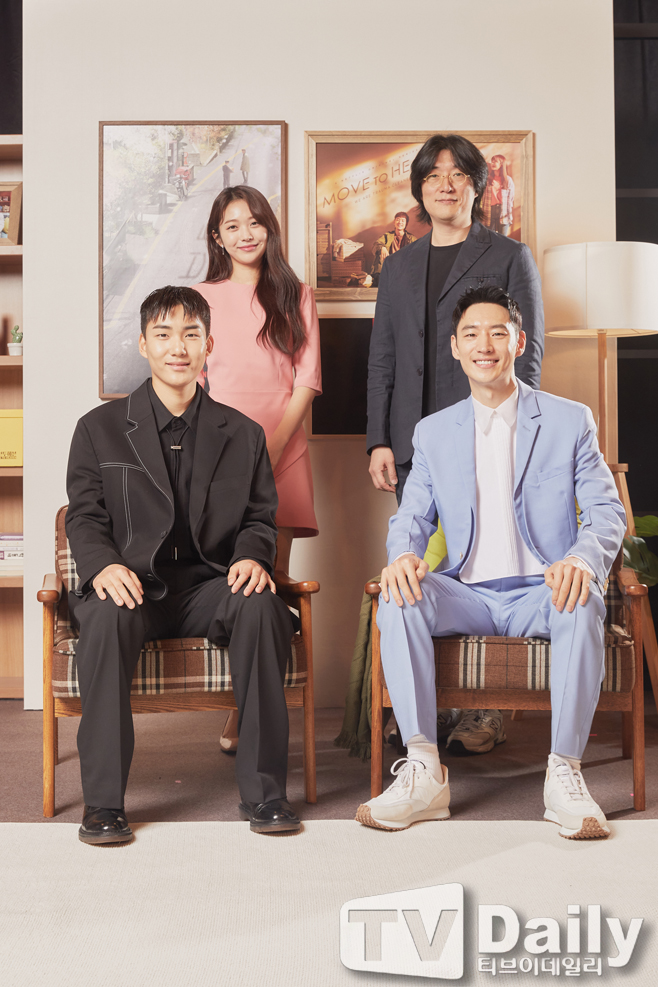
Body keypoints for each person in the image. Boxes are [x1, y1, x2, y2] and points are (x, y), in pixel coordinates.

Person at [356, 286, 625, 840]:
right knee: (399, 595)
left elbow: (606, 513)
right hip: (470, 594)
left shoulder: (570, 420)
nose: (485, 345)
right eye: (472, 334)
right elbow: (412, 516)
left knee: (582, 596)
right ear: (455, 347)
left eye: (498, 333)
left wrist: (580, 560)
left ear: (518, 342)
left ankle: (564, 774)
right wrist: (403, 555)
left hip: (542, 592)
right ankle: (424, 771)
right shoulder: (434, 432)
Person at [66, 285, 301, 844]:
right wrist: (102, 567)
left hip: (208, 588)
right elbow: (84, 516)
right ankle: (103, 805)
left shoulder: (242, 433)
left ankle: (266, 794)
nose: (179, 347)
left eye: (191, 335)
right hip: (131, 587)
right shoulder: (98, 428)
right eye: (165, 334)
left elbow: (260, 518)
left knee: (262, 607)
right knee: (106, 617)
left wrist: (252, 557)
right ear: (143, 344)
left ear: (208, 345)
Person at [367, 133, 544, 752]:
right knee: (423, 574)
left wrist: (515, 437)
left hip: (489, 440)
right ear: (420, 189)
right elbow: (383, 358)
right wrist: (378, 440)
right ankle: (427, 708)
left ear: (477, 186)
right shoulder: (398, 265)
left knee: (484, 569)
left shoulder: (509, 255)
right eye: (433, 174)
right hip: (414, 445)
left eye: (458, 174)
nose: (445, 183)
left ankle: (485, 710)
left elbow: (528, 356)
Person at [193, 185, 321, 752]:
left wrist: (268, 450)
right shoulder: (199, 297)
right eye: (232, 225)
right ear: (217, 237)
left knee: (269, 580)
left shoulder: (297, 295)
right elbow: (194, 384)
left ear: (269, 228)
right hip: (216, 455)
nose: (245, 233)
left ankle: (254, 711)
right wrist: (224, 456)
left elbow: (306, 381)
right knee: (226, 581)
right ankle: (234, 703)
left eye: (255, 222)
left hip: (283, 451)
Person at [370, 212, 417, 286]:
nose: (400, 222)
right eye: (398, 219)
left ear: (406, 223)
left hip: (404, 269)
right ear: (394, 222)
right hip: (389, 267)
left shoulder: (411, 238)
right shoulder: (387, 236)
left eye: (402, 220)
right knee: (379, 252)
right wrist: (382, 248)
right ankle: (380, 281)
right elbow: (376, 244)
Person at [482, 154, 515, 237]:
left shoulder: (508, 180)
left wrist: (509, 215)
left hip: (503, 210)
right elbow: (483, 197)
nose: (493, 163)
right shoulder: (488, 180)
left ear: (501, 164)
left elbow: (511, 199)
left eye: (495, 161)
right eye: (492, 161)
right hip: (490, 210)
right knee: (490, 238)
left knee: (502, 239)